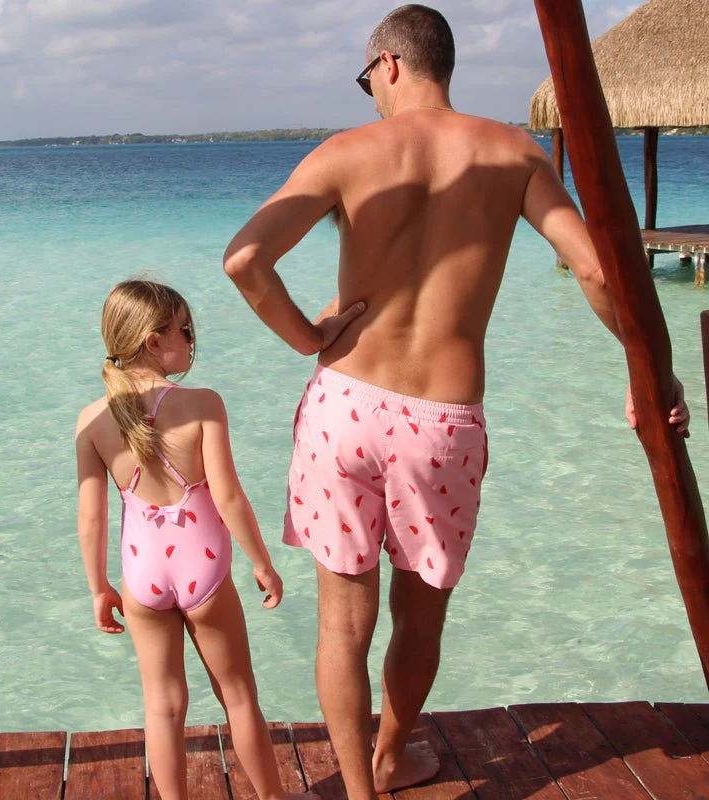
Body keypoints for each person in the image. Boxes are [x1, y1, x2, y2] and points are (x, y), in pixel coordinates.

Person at [222, 5, 690, 799]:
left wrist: (309, 337)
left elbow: (244, 260)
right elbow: (596, 271)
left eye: (367, 78)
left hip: (343, 406)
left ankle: (358, 791)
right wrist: (652, 370)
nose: (371, 93)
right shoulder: (513, 153)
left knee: (342, 622)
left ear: (391, 64)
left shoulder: (345, 154)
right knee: (420, 616)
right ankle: (391, 757)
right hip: (440, 424)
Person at [75, 280, 317, 800]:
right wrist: (261, 562)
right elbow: (228, 497)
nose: (192, 340)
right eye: (185, 330)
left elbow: (91, 518)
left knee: (162, 707)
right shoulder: (203, 404)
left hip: (141, 577)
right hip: (201, 571)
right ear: (154, 341)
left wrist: (98, 587)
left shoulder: (91, 421)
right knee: (238, 697)